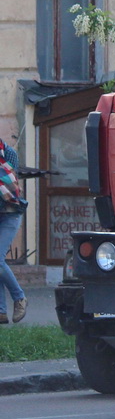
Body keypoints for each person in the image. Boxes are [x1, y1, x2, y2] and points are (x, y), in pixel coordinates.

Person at [0, 137, 27, 324]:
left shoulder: (9, 153)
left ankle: (19, 298)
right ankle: (1, 311)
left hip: (10, 212)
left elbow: (10, 184)